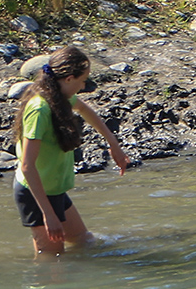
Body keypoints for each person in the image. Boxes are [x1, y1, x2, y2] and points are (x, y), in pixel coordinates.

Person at [13, 45, 128, 257]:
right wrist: (48, 214)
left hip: (54, 189)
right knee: (53, 259)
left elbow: (84, 109)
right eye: (82, 80)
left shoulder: (60, 98)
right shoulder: (39, 109)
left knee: (84, 241)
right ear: (68, 79)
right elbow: (27, 166)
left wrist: (113, 144)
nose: (84, 86)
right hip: (36, 193)